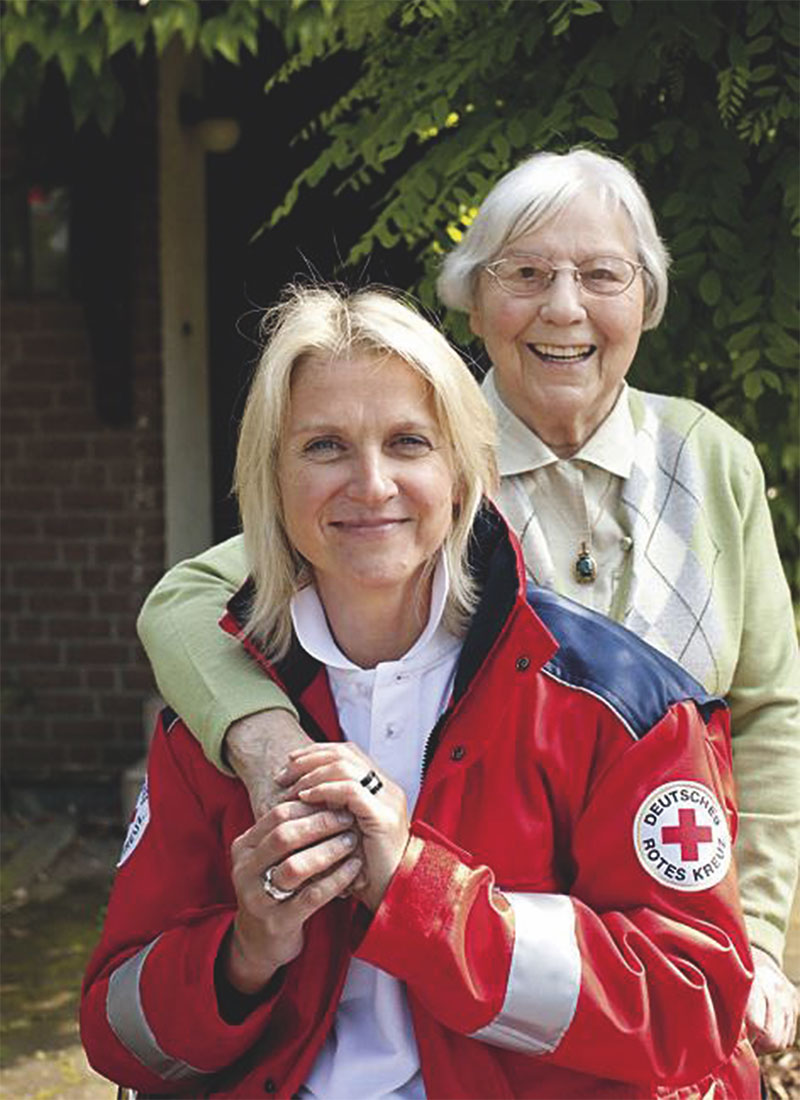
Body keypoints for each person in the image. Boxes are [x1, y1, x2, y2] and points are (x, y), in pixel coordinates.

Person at [137, 149, 800, 1053]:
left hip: (672, 946)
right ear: (474, 303)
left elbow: (770, 708)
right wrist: (266, 740)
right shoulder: (421, 461)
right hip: (456, 974)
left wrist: (756, 939)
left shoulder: (711, 457)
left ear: (643, 300)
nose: (563, 307)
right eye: (524, 274)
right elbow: (189, 597)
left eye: (602, 275)